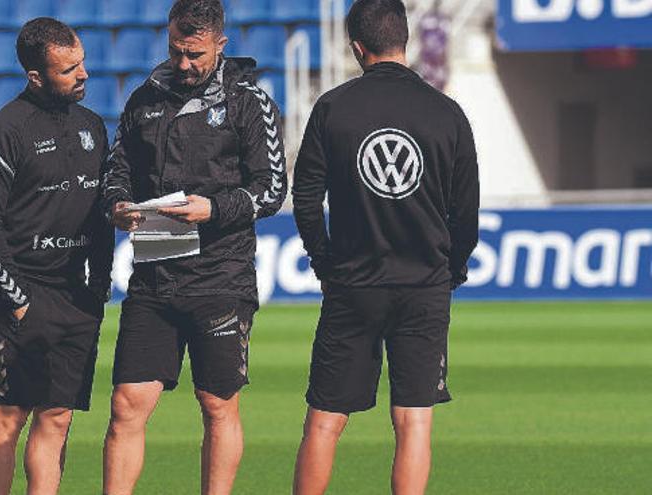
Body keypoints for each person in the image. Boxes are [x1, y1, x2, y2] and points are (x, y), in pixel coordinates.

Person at [290, 1, 479, 494]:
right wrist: (450, 272)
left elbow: (306, 200)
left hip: (352, 283)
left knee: (325, 421)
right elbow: (466, 214)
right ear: (406, 40)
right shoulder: (447, 112)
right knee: (413, 422)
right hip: (423, 287)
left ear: (356, 46)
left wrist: (324, 263)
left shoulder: (331, 107)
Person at [100, 0, 287, 493]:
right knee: (126, 403)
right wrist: (118, 205)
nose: (184, 64)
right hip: (155, 273)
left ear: (220, 45)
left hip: (220, 277)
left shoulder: (251, 103)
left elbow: (271, 190)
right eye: (176, 51)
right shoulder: (144, 98)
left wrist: (215, 208)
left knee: (217, 403)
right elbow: (117, 171)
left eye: (195, 54)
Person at [0, 18, 113, 495]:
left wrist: (99, 286)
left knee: (58, 415)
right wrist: (19, 298)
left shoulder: (93, 127)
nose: (83, 74)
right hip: (21, 293)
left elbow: (100, 216)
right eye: (69, 68)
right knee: (9, 415)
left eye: (83, 62)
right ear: (36, 75)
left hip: (75, 294)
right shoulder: (4, 131)